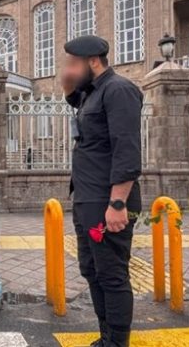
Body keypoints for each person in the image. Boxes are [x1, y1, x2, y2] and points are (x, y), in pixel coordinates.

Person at [61, 35, 142, 347]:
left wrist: (118, 202)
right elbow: (72, 99)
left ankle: (118, 342)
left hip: (108, 200)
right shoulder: (90, 93)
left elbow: (127, 150)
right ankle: (106, 337)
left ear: (92, 61)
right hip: (86, 198)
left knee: (111, 274)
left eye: (72, 63)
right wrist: (68, 80)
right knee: (92, 270)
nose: (68, 69)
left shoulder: (118, 90)